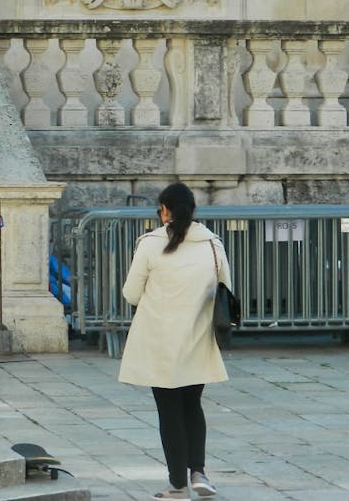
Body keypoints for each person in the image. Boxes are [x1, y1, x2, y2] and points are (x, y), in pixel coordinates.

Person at [118, 182, 229, 500]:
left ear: (165, 210)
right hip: (197, 337)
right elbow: (225, 286)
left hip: (159, 339)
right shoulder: (212, 245)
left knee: (168, 411)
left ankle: (177, 483)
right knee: (192, 405)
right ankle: (199, 473)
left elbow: (131, 293)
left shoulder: (150, 245)